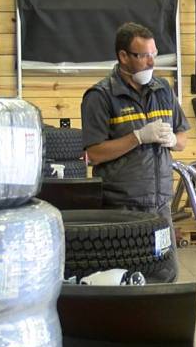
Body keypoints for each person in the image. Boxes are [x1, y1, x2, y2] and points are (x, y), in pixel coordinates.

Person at [81, 22, 190, 279]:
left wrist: (173, 139)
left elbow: (184, 138)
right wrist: (138, 137)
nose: (152, 62)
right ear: (123, 57)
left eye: (154, 54)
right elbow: (93, 154)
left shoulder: (163, 90)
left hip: (160, 205)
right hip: (121, 207)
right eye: (143, 56)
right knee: (124, 278)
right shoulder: (100, 96)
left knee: (166, 275)